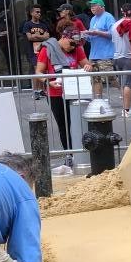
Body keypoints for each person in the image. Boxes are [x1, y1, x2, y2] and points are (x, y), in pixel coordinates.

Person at [35, 29, 92, 163]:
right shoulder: (47, 49)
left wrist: (89, 67)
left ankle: (83, 151)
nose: (73, 46)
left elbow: (87, 64)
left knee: (79, 123)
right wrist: (48, 81)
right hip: (56, 93)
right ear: (64, 37)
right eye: (71, 43)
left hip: (75, 90)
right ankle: (70, 154)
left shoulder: (77, 49)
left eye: (76, 44)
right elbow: (38, 72)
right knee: (64, 125)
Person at [83, 0, 116, 97]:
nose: (92, 8)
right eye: (91, 6)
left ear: (102, 6)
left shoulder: (108, 17)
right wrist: (84, 36)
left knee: (111, 79)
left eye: (94, 5)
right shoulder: (93, 19)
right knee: (95, 79)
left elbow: (113, 34)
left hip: (106, 54)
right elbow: (91, 37)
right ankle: (98, 101)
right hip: (93, 55)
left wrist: (96, 32)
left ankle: (125, 93)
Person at [112, 4, 131, 118]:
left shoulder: (114, 25)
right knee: (128, 84)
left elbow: (113, 41)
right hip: (128, 57)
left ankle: (125, 108)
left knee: (123, 84)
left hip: (117, 57)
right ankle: (126, 110)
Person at [19, 5, 51, 98]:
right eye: (37, 12)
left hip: (42, 50)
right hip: (32, 51)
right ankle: (35, 90)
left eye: (40, 12)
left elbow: (47, 36)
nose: (39, 14)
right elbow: (29, 37)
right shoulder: (27, 24)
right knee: (36, 69)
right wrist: (41, 36)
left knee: (41, 70)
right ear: (31, 13)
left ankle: (41, 90)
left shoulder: (43, 24)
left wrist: (37, 36)